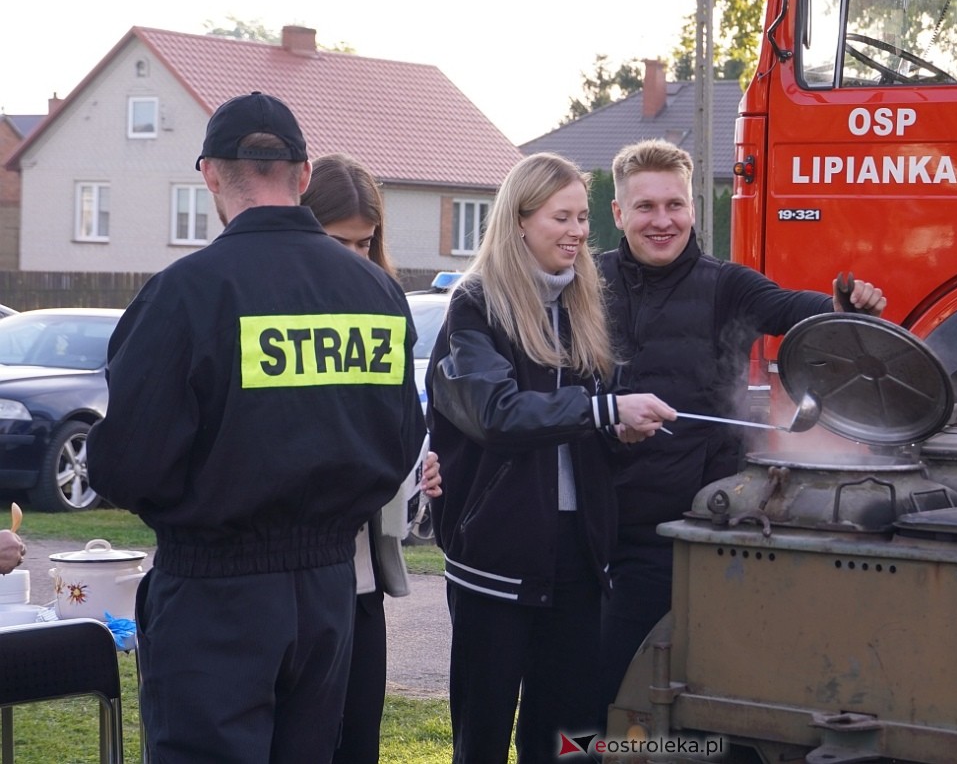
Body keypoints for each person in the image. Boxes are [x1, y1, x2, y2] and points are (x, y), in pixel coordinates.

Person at [86, 93, 427, 763]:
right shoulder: (377, 294)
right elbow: (401, 440)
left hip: (215, 592)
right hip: (330, 595)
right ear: (303, 176)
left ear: (210, 174)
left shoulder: (186, 293)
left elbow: (127, 461)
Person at [596, 139, 887, 718]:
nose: (662, 221)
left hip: (681, 529)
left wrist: (845, 306)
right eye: (646, 207)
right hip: (590, 525)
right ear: (618, 213)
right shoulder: (585, 282)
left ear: (694, 209)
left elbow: (789, 308)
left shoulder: (726, 284)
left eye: (674, 205)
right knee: (587, 693)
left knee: (660, 692)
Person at [427, 152, 675, 762]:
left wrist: (617, 434)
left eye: (583, 218)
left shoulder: (586, 305)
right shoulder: (475, 305)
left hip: (579, 559)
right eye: (560, 217)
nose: (578, 231)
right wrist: (602, 412)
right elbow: (495, 414)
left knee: (566, 738)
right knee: (481, 736)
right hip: (496, 557)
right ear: (519, 221)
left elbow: (584, 434)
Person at [301, 152, 442, 764]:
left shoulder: (387, 303)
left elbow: (399, 421)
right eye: (339, 242)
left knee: (358, 738)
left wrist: (418, 467)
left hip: (363, 575)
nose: (354, 257)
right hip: (298, 574)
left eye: (366, 243)